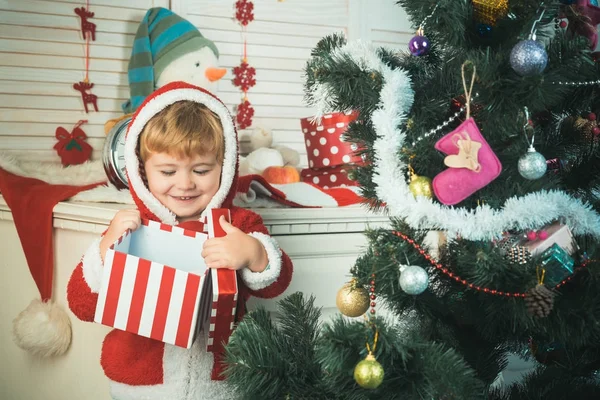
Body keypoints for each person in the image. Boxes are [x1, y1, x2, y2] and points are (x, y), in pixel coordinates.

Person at [67, 81, 294, 400]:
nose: (185, 184)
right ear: (142, 171)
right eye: (168, 171)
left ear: (225, 167)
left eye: (201, 170)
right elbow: (82, 304)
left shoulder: (237, 224)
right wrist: (106, 250)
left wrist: (255, 253)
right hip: (142, 386)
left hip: (222, 384)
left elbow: (276, 284)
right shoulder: (132, 228)